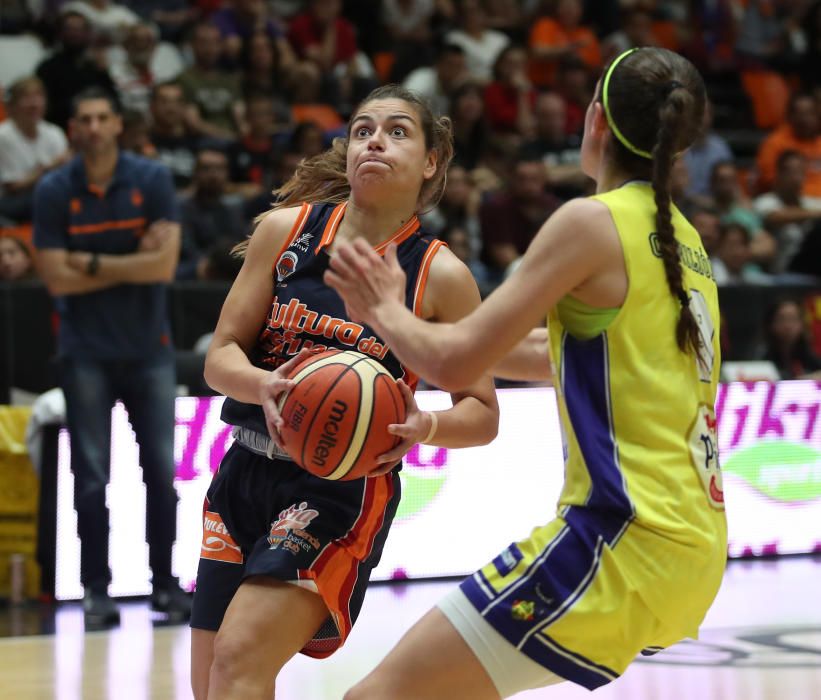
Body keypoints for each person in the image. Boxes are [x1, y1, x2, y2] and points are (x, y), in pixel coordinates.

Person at [327, 47, 728, 699]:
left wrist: (382, 310)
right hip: (693, 549)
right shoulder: (682, 238)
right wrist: (408, 322)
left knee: (373, 697)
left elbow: (454, 362)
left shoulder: (590, 221)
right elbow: (558, 357)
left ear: (594, 118)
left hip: (621, 540)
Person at [189, 84, 501, 700]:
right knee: (212, 684)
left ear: (431, 161)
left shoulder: (440, 274)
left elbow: (483, 411)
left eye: (396, 131)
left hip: (337, 487)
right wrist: (267, 384)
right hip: (245, 469)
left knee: (238, 659)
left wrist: (425, 427)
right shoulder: (287, 233)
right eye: (362, 130)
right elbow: (219, 355)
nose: (375, 141)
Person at [32, 87, 191, 629]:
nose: (94, 127)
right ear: (73, 128)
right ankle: (96, 591)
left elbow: (163, 268)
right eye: (84, 119)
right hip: (85, 353)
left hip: (150, 349)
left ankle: (165, 587)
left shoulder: (153, 180)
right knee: (91, 477)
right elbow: (55, 277)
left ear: (118, 125)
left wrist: (91, 262)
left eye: (103, 118)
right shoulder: (54, 189)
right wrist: (133, 257)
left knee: (162, 474)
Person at [0, 76, 70, 224]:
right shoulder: (4, 136)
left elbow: (67, 176)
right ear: (12, 105)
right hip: (11, 201)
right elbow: (14, 187)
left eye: (38, 97)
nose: (34, 104)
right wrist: (50, 167)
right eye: (26, 98)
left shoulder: (54, 132)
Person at [760, 298, 821, 380]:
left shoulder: (807, 352)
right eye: (782, 319)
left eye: (793, 319)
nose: (788, 326)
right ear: (771, 324)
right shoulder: (761, 353)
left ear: (802, 324)